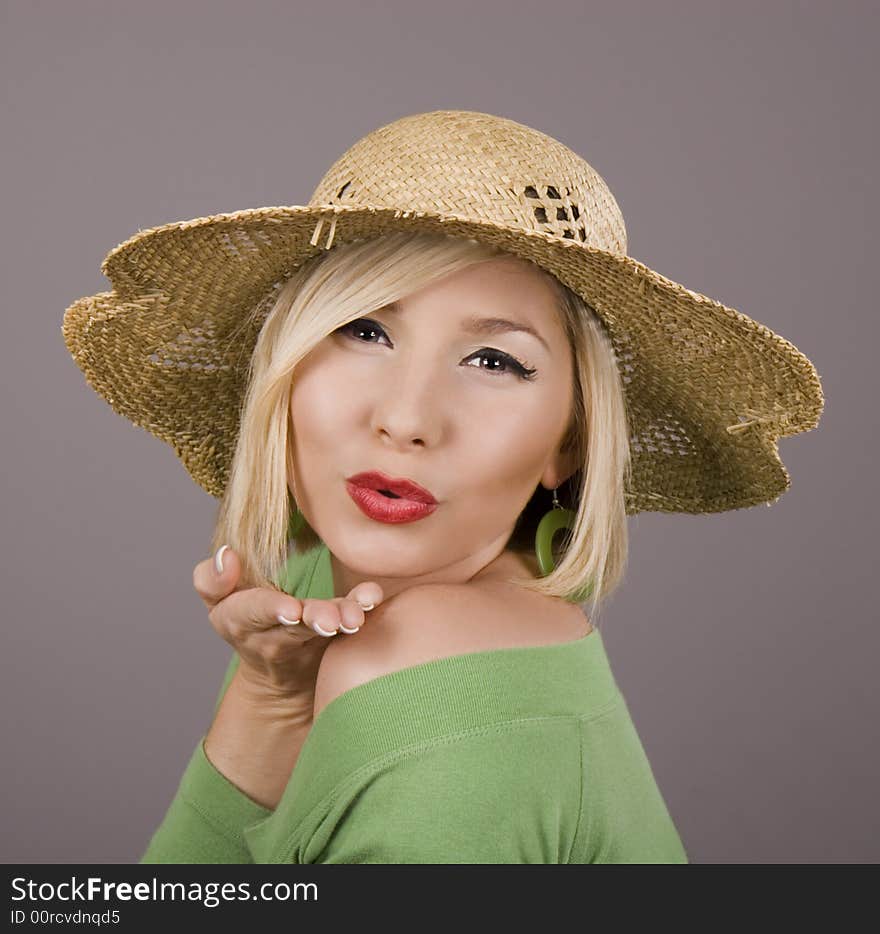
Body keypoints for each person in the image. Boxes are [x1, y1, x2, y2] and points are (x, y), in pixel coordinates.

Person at [61, 110, 824, 864]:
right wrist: (267, 702)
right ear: (287, 364)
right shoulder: (311, 592)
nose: (406, 417)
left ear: (571, 442)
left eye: (494, 360)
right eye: (365, 329)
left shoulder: (418, 653)